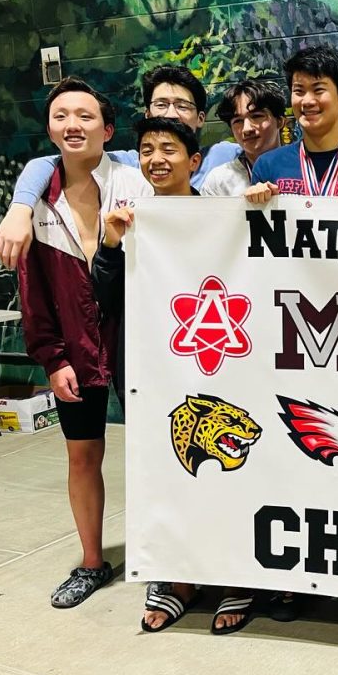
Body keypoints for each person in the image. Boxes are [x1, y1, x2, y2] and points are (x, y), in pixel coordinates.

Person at [94, 116, 257, 635]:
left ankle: (235, 570)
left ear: (194, 161)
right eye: (146, 149)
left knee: (232, 473)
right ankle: (176, 577)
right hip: (155, 366)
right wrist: (110, 244)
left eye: (169, 148)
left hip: (227, 364)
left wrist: (261, 207)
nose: (156, 158)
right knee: (165, 471)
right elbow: (104, 294)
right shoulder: (130, 219)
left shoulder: (226, 215)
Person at [16, 77, 151, 609]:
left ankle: (166, 560)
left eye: (85, 115)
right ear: (50, 129)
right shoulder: (35, 203)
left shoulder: (136, 183)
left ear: (108, 128)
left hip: (136, 342)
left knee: (159, 451)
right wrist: (52, 358)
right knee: (82, 456)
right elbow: (36, 293)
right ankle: (92, 563)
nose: (72, 124)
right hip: (74, 349)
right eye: (61, 116)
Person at [0, 65, 241, 268]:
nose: (171, 114)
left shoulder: (224, 157)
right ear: (148, 113)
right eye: (161, 104)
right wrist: (20, 209)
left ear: (200, 118)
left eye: (182, 106)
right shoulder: (132, 164)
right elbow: (49, 163)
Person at [248, 45, 338, 198]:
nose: (307, 101)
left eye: (318, 90)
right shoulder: (268, 166)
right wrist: (254, 202)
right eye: (299, 91)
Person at [199, 80, 287, 196]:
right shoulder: (219, 181)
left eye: (256, 116)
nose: (246, 129)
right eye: (238, 121)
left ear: (280, 121)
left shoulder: (302, 168)